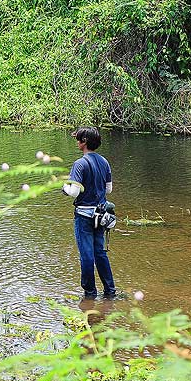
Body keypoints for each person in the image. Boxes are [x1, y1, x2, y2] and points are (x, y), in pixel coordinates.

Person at [62, 127, 116, 298]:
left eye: (78, 139)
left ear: (84, 141)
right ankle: (110, 290)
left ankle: (90, 293)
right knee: (100, 253)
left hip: (84, 216)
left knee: (86, 255)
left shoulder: (80, 164)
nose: (77, 142)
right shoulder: (104, 162)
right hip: (101, 217)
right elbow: (109, 189)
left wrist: (64, 186)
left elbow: (74, 192)